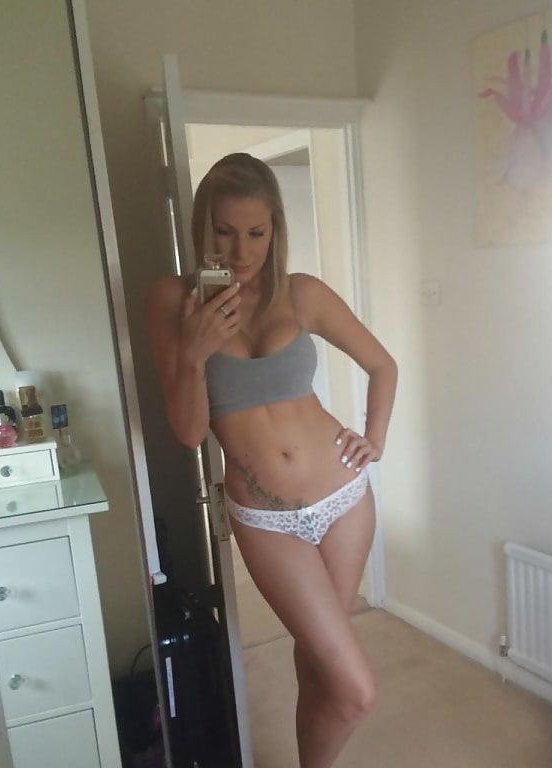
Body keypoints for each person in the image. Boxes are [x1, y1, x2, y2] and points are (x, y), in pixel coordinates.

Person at [147, 152, 397, 768]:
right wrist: (194, 351)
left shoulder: (302, 292)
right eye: (225, 231)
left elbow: (382, 365)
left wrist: (375, 438)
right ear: (202, 226)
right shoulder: (173, 300)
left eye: (256, 232)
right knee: (357, 690)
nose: (241, 251)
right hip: (266, 520)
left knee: (320, 666)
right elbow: (188, 432)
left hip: (345, 499)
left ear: (275, 229)